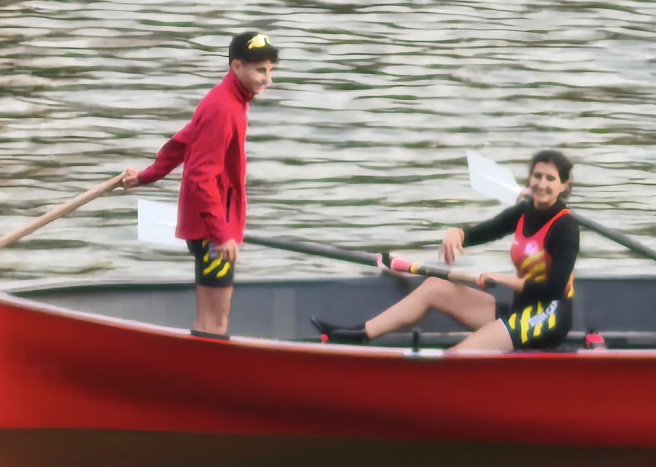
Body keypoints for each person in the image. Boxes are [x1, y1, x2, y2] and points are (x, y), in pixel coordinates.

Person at [313, 149, 579, 353]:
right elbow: (481, 232)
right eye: (537, 176)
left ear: (563, 186)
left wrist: (498, 279)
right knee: (434, 287)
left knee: (457, 356)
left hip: (548, 316)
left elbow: (553, 289)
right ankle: (359, 335)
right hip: (518, 310)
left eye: (550, 179)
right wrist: (457, 233)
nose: (542, 184)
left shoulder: (565, 227)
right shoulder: (524, 211)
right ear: (529, 179)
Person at [123, 31, 278, 336]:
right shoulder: (223, 108)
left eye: (270, 71)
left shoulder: (227, 100)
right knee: (213, 322)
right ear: (236, 66)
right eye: (261, 70)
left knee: (213, 319)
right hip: (212, 231)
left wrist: (146, 176)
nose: (268, 80)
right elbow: (200, 176)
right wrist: (221, 236)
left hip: (212, 226)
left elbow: (183, 142)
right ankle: (207, 366)